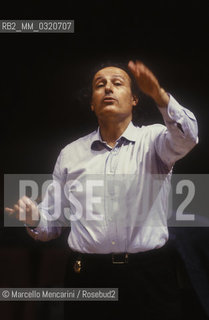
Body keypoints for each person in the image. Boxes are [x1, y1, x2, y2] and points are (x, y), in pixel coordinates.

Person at [5, 60, 199, 319]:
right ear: (92, 103)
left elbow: (188, 137)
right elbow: (52, 223)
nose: (108, 88)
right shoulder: (70, 154)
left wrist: (159, 95)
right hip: (87, 277)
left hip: (149, 276)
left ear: (134, 100)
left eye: (117, 83)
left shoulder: (154, 140)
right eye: (100, 85)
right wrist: (34, 218)